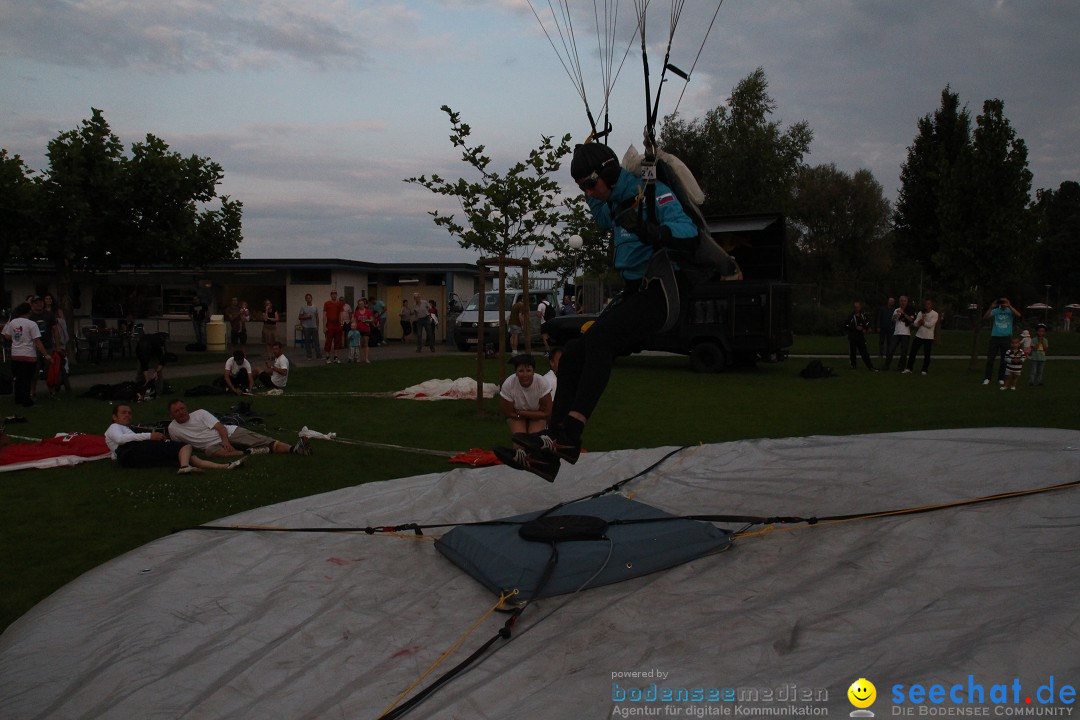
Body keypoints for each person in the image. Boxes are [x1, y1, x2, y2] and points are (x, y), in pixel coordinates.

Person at [498, 142, 706, 482]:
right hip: (635, 293)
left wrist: (649, 230)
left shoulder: (653, 194)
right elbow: (600, 219)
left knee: (598, 340)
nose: (588, 192)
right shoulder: (611, 201)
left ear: (608, 174)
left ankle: (571, 435)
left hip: (663, 292)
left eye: (590, 184)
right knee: (574, 352)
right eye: (582, 187)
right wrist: (590, 187)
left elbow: (689, 234)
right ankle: (551, 449)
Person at [106, 404, 242, 473]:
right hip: (133, 452)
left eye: (129, 413)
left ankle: (224, 466)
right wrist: (150, 436)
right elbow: (120, 439)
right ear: (114, 417)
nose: (128, 415)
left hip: (134, 457)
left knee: (189, 456)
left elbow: (115, 450)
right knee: (184, 446)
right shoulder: (114, 427)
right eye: (123, 413)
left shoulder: (126, 429)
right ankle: (184, 467)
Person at [167, 399, 311, 457]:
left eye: (182, 408)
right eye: (177, 411)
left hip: (228, 434)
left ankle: (296, 449)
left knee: (264, 440)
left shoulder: (200, 413)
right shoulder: (173, 429)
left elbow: (220, 427)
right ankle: (248, 452)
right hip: (211, 446)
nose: (181, 412)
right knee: (211, 452)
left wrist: (225, 441)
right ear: (172, 414)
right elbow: (181, 445)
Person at [2, 302, 52, 407]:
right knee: (27, 379)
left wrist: (17, 339)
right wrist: (45, 354)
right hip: (28, 355)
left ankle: (18, 398)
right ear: (29, 311)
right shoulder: (31, 324)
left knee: (18, 378)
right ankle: (27, 400)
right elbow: (37, 341)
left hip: (15, 354)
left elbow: (7, 336)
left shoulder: (13, 322)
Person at [499, 354, 552, 436]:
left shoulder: (542, 383)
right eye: (521, 371)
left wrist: (522, 413)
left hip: (532, 415)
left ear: (533, 371)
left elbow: (547, 412)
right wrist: (528, 415)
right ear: (516, 373)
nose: (525, 375)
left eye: (528, 370)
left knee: (533, 441)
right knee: (520, 441)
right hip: (516, 416)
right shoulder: (508, 384)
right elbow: (508, 412)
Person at [983, 297, 1021, 385]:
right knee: (990, 359)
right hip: (995, 337)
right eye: (1002, 302)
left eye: (1005, 302)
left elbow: (1018, 315)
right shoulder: (996, 311)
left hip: (1006, 337)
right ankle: (987, 378)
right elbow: (985, 317)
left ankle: (1001, 378)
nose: (1003, 304)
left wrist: (1009, 306)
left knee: (1004, 359)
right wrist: (991, 308)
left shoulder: (1010, 311)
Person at [27, 295, 60, 400]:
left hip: (48, 346)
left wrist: (58, 346)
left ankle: (52, 392)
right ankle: (33, 393)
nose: (39, 304)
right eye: (36, 302)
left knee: (49, 370)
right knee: (34, 372)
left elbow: (55, 330)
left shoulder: (49, 315)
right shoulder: (29, 317)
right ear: (32, 304)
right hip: (33, 347)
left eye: (40, 302)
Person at [904, 298, 939, 375]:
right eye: (926, 304)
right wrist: (921, 320)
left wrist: (923, 322)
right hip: (919, 335)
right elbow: (916, 324)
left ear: (931, 305)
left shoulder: (935, 314)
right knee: (913, 352)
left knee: (927, 354)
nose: (927, 305)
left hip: (929, 337)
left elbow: (930, 325)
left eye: (929, 304)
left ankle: (924, 369)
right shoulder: (921, 313)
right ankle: (909, 368)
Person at [134, 331, 169, 399]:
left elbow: (162, 361)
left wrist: (156, 371)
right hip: (145, 351)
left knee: (158, 374)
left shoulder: (157, 345)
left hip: (155, 351)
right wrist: (147, 379)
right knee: (140, 371)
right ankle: (138, 389)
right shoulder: (139, 350)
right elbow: (144, 366)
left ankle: (158, 392)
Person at [883, 295, 914, 371]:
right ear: (899, 301)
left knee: (903, 352)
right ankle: (886, 366)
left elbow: (911, 320)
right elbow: (893, 319)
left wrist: (903, 313)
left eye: (904, 301)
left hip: (905, 334)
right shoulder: (896, 309)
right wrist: (896, 315)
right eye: (901, 301)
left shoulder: (910, 309)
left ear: (907, 302)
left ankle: (901, 367)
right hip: (896, 333)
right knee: (890, 350)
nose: (903, 302)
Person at [844, 301, 877, 371]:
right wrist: (855, 328)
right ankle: (853, 365)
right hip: (853, 336)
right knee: (853, 352)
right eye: (855, 307)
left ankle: (870, 366)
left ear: (860, 307)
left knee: (864, 352)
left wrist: (866, 329)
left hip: (860, 337)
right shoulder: (851, 316)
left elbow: (868, 323)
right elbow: (846, 325)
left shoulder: (863, 316)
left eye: (858, 307)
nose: (856, 309)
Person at [323, 290, 345, 364]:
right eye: (332, 294)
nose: (334, 295)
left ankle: (336, 357)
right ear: (331, 295)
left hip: (337, 325)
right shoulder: (327, 303)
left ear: (336, 295)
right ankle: (327, 357)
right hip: (329, 325)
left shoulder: (339, 304)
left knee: (337, 342)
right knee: (328, 342)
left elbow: (341, 314)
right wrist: (324, 326)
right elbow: (324, 315)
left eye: (335, 294)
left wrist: (341, 324)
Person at [298, 293, 322, 360]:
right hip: (306, 327)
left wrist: (318, 326)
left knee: (316, 342)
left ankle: (318, 355)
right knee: (307, 342)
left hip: (314, 327)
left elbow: (317, 317)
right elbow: (299, 317)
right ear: (305, 299)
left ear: (311, 299)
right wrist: (306, 317)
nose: (308, 299)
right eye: (307, 298)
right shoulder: (303, 307)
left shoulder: (315, 307)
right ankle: (309, 356)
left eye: (309, 298)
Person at [352, 298, 374, 363]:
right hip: (358, 330)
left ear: (364, 304)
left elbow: (372, 319)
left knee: (366, 344)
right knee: (359, 344)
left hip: (366, 329)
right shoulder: (356, 312)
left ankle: (366, 358)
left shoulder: (368, 311)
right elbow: (354, 321)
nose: (360, 305)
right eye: (359, 304)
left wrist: (367, 321)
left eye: (361, 304)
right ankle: (359, 358)